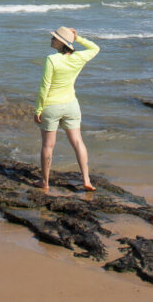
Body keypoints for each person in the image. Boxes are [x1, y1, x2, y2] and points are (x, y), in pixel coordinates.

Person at [33, 26, 100, 192]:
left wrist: (38, 109)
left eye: (54, 38)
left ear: (61, 43)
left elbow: (44, 87)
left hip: (51, 106)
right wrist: (77, 38)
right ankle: (86, 180)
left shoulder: (52, 60)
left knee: (48, 146)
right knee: (78, 142)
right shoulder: (79, 58)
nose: (51, 40)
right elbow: (95, 48)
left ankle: (45, 182)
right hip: (71, 106)